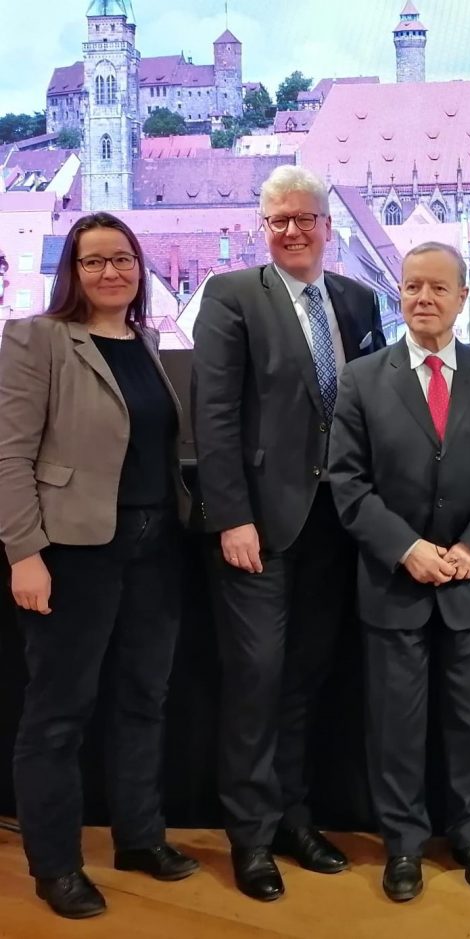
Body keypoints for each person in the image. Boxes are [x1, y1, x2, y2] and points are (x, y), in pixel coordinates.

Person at [191, 165, 385, 901]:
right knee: (256, 681)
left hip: (339, 525)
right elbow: (213, 414)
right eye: (279, 221)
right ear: (261, 228)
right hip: (259, 530)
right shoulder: (233, 296)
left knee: (304, 681)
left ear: (328, 227)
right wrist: (230, 515)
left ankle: (294, 817)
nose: (293, 231)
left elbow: (373, 408)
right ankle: (250, 835)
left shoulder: (359, 299)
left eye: (305, 218)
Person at [0, 212, 198, 920]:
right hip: (72, 554)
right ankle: (56, 866)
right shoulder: (38, 340)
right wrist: (23, 552)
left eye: (123, 259)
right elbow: (9, 455)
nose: (111, 272)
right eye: (94, 262)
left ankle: (139, 837)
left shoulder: (142, 342)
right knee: (58, 715)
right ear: (71, 272)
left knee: (144, 701)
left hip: (153, 548)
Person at [328, 242, 470, 902]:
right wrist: (405, 546)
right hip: (394, 580)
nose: (423, 298)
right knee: (395, 722)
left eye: (438, 288)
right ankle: (404, 843)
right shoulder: (361, 379)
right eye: (412, 286)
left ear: (462, 298)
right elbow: (348, 482)